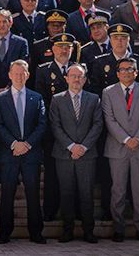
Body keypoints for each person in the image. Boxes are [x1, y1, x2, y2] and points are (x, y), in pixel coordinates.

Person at [0, 60, 47, 244]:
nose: (19, 76)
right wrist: (14, 143)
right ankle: (4, 233)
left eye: (22, 73)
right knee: (7, 194)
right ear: (9, 75)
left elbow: (42, 124)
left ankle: (36, 232)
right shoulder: (0, 99)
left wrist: (27, 144)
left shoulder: (36, 98)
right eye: (15, 73)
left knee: (33, 194)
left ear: (28, 75)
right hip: (10, 154)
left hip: (31, 154)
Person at [102, 57, 139, 242]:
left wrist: (138, 139)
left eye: (130, 69)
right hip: (118, 147)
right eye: (122, 69)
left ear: (136, 72)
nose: (126, 72)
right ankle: (118, 228)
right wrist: (125, 139)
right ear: (117, 73)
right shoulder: (108, 92)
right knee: (118, 190)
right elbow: (109, 119)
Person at [50, 62, 102, 243]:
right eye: (73, 76)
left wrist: (83, 147)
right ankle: (68, 230)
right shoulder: (57, 99)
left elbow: (97, 125)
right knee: (66, 193)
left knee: (87, 194)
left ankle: (88, 231)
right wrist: (71, 146)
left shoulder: (94, 99)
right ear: (66, 78)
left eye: (80, 76)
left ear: (85, 79)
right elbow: (55, 126)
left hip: (87, 154)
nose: (76, 79)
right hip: (64, 155)